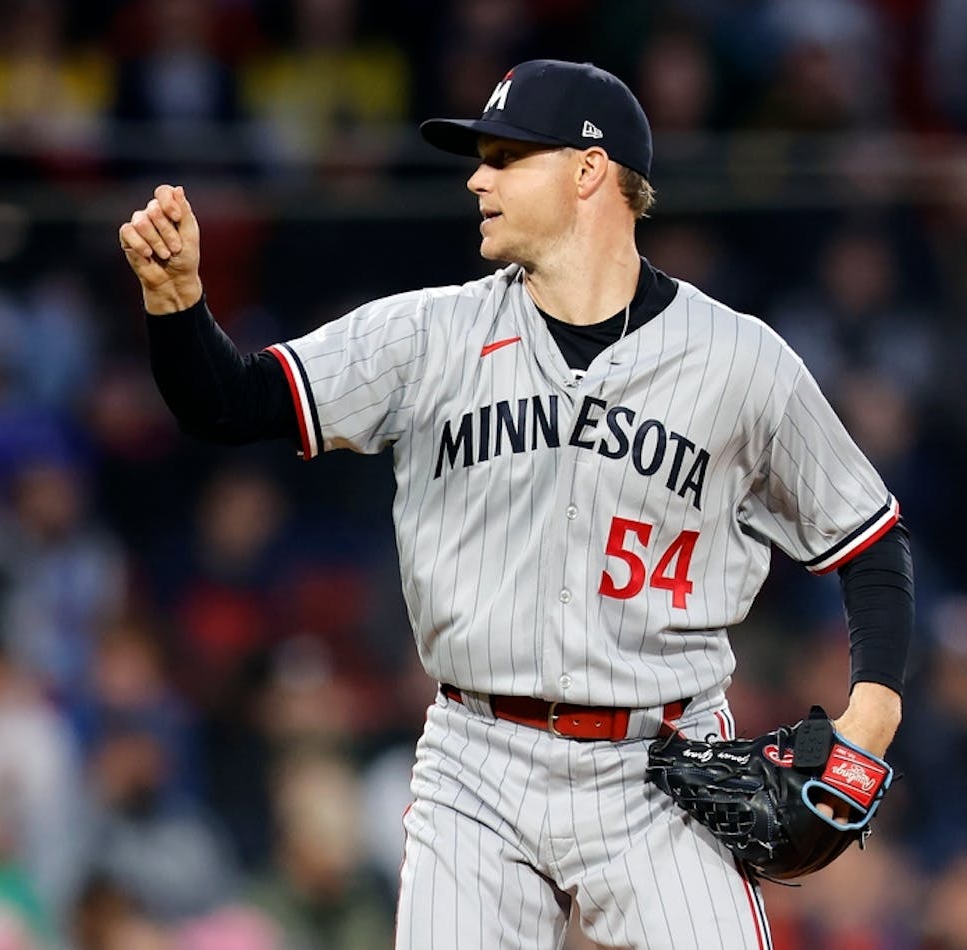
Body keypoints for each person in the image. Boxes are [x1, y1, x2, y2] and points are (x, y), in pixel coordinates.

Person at [118, 58, 914, 950]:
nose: (476, 178)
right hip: (477, 760)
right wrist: (177, 303)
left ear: (587, 171)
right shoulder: (429, 334)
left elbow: (870, 542)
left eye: (504, 157)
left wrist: (871, 715)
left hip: (663, 767)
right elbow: (229, 402)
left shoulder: (741, 362)